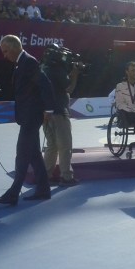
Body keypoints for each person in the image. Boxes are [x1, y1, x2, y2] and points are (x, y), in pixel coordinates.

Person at [0, 35, 54, 205]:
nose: (4, 55)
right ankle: (43, 189)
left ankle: (13, 193)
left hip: (31, 117)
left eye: (5, 51)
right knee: (34, 154)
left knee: (22, 154)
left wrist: (49, 109)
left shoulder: (29, 62)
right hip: (28, 116)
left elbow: (45, 84)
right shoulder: (21, 62)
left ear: (14, 47)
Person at [42, 45, 80, 186]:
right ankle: (66, 177)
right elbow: (68, 88)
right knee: (65, 145)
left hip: (46, 113)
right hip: (59, 112)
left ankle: (45, 176)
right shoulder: (58, 70)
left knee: (51, 145)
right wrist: (75, 75)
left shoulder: (44, 68)